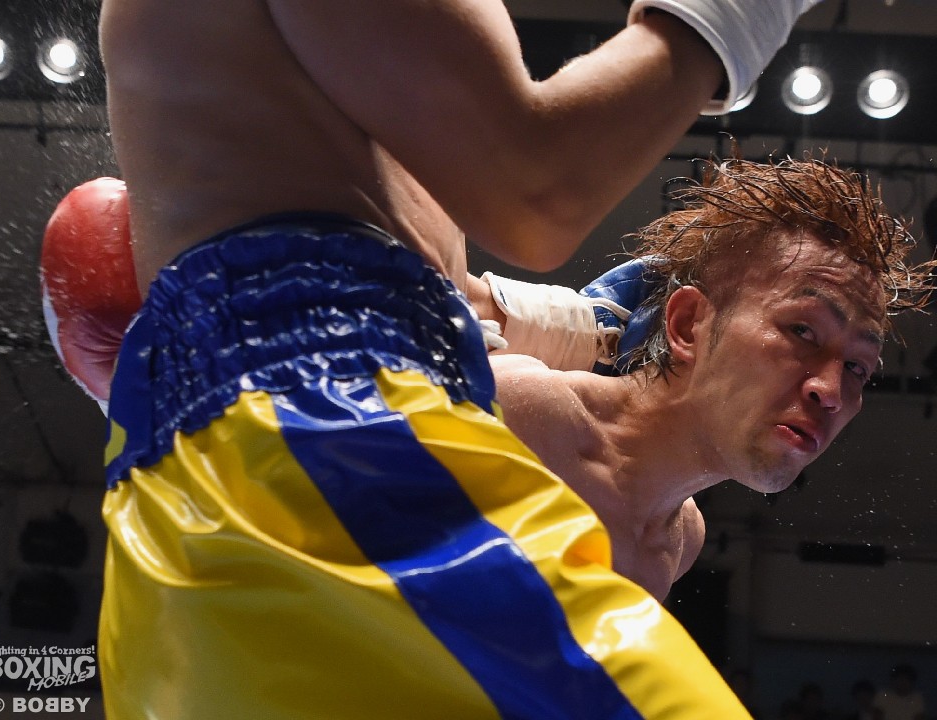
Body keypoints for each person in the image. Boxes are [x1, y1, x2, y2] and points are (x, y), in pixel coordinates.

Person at [62, 1, 823, 718]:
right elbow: (536, 187)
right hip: (326, 450)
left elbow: (380, 253)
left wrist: (566, 324)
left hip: (247, 486)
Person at [490, 156, 935, 601]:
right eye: (803, 331)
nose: (831, 392)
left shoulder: (680, 541)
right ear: (688, 325)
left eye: (857, 367)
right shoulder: (524, 415)